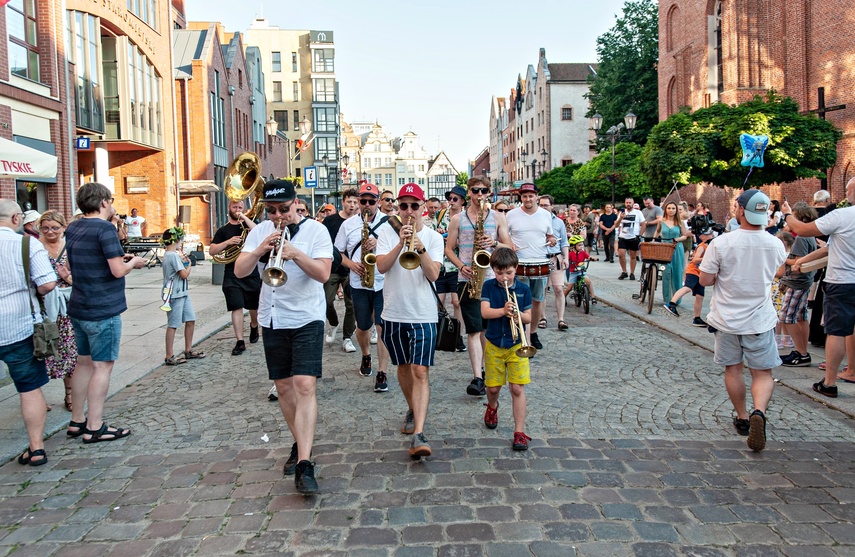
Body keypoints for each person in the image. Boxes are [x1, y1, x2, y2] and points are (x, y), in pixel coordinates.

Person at [235, 178, 332, 494]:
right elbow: (239, 270)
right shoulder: (260, 231)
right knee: (283, 386)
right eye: (272, 210)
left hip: (307, 316)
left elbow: (323, 274)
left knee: (304, 384)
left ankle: (305, 463)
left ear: (296, 204)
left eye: (284, 209)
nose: (278, 216)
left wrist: (295, 254)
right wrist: (260, 250)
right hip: (273, 317)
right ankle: (300, 441)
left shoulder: (316, 231)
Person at [699, 189, 787, 452]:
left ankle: (742, 417)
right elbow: (779, 272)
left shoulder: (722, 243)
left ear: (740, 210)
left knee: (733, 369)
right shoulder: (775, 243)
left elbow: (705, 280)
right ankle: (759, 411)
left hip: (727, 319)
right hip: (759, 319)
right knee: (762, 373)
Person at [65, 183, 147, 443]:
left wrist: (118, 259)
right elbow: (118, 271)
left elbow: (76, 263)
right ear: (102, 202)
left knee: (83, 363)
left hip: (79, 305)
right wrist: (134, 262)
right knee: (102, 366)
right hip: (102, 308)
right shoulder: (105, 228)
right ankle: (95, 426)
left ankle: (77, 421)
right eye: (110, 200)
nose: (112, 205)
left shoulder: (74, 227)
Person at [375, 183, 443, 457]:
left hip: (423, 314)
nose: (409, 211)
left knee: (420, 370)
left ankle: (419, 433)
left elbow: (434, 275)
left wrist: (420, 247)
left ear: (423, 208)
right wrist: (400, 244)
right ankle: (413, 409)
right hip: (394, 312)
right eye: (403, 206)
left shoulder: (434, 237)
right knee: (403, 367)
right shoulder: (386, 232)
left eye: (414, 206)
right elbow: (381, 266)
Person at [783, 180, 855, 397]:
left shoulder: (843, 215)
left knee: (837, 332)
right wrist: (802, 260)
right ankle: (851, 370)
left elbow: (802, 230)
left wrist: (787, 214)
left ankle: (829, 383)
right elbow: (828, 249)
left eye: (848, 189)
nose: (846, 193)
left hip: (842, 281)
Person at [0, 200, 57, 466]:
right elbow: (47, 284)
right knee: (29, 387)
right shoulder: (27, 244)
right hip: (19, 325)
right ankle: (36, 448)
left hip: (17, 325)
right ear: (15, 218)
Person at [446, 177, 512, 395]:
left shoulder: (498, 217)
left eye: (484, 191)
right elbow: (448, 249)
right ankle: (477, 377)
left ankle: (488, 368)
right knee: (474, 329)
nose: (479, 194)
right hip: (468, 279)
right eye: (475, 190)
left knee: (488, 329)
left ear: (489, 192)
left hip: (492, 279)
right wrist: (461, 266)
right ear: (469, 192)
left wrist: (494, 243)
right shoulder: (457, 219)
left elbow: (509, 247)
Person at [335, 183, 392, 391]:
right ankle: (366, 354)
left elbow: (398, 249)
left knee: (382, 327)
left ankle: (382, 372)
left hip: (383, 282)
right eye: (363, 201)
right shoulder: (348, 225)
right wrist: (351, 265)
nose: (367, 205)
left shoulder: (389, 223)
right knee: (363, 327)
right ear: (359, 201)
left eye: (371, 201)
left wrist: (379, 243)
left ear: (378, 202)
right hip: (359, 283)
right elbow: (337, 252)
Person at [480, 247, 534, 451]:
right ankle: (492, 406)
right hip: (494, 344)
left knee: (517, 388)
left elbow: (528, 318)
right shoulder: (488, 286)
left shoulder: (523, 289)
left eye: (509, 273)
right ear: (493, 270)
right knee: (493, 388)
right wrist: (503, 311)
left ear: (516, 268)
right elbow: (485, 313)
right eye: (499, 273)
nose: (504, 277)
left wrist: (517, 314)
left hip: (517, 345)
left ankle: (519, 432)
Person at [505, 183, 556, 351]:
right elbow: (504, 235)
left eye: (531, 196)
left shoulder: (545, 215)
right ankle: (522, 336)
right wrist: (510, 243)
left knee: (537, 300)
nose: (528, 199)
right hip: (518, 263)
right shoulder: (511, 214)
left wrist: (552, 240)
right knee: (520, 301)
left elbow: (550, 235)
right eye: (525, 196)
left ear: (536, 197)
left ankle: (533, 332)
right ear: (521, 197)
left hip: (540, 262)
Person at [209, 200, 261, 357]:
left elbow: (259, 232)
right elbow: (212, 250)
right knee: (236, 306)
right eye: (234, 207)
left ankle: (254, 325)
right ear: (229, 208)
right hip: (232, 273)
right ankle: (240, 341)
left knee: (253, 306)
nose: (237, 210)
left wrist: (244, 217)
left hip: (250, 271)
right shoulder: (223, 230)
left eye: (240, 207)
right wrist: (228, 242)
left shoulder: (248, 225)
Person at [37, 210, 77, 411]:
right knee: (40, 351)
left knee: (69, 351)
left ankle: (69, 393)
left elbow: (78, 279)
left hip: (66, 307)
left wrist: (66, 277)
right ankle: (36, 398)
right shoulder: (36, 248)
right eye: (45, 228)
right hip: (42, 306)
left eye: (54, 227)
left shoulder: (69, 248)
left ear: (63, 227)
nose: (50, 232)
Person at [774, 202, 818, 367]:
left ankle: (801, 352)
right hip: (805, 281)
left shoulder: (801, 238)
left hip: (796, 282)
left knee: (786, 316)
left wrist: (783, 258)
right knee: (801, 317)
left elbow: (798, 262)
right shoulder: (810, 236)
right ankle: (802, 351)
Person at [321, 188, 358, 353]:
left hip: (353, 270)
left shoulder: (360, 222)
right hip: (333, 268)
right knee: (327, 301)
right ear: (343, 202)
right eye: (349, 201)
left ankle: (347, 337)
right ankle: (334, 323)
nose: (352, 205)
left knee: (351, 306)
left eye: (355, 202)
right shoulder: (330, 221)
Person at [160, 227, 204, 365]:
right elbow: (184, 274)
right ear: (176, 240)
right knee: (173, 324)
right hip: (174, 294)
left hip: (182, 293)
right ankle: (169, 356)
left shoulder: (172, 255)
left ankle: (188, 350)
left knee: (190, 319)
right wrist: (189, 265)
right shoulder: (172, 255)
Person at [664, 227, 714, 326]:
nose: (712, 236)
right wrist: (707, 258)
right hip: (693, 271)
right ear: (703, 237)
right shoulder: (702, 246)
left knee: (700, 296)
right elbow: (695, 260)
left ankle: (697, 318)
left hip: (701, 273)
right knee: (687, 288)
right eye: (709, 234)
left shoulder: (709, 247)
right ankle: (671, 303)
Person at [438, 186, 467, 353]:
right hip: (441, 264)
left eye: (455, 199)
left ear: (462, 201)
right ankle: (439, 334)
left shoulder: (465, 218)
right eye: (450, 198)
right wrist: (439, 233)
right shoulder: (441, 215)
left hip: (457, 265)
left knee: (457, 302)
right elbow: (432, 235)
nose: (451, 201)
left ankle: (458, 336)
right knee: (438, 302)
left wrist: (453, 241)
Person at [539, 195, 569, 331]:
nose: (543, 207)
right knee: (542, 289)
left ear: (552, 206)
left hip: (555, 258)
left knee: (558, 288)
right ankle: (542, 318)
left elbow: (564, 242)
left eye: (546, 205)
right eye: (541, 205)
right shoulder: (536, 220)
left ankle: (561, 319)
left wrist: (566, 258)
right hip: (541, 258)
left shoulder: (559, 222)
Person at [655, 201, 688, 303]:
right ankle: (667, 299)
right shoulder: (661, 221)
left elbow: (685, 235)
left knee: (677, 273)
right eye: (669, 208)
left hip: (677, 248)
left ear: (676, 210)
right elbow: (657, 231)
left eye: (673, 208)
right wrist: (653, 240)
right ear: (665, 210)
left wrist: (677, 239)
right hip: (665, 249)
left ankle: (676, 299)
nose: (671, 210)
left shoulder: (680, 222)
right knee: (665, 272)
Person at [615, 197, 644, 280]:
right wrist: (620, 218)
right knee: (621, 255)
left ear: (633, 203)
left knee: (633, 256)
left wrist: (640, 235)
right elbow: (616, 225)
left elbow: (644, 224)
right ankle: (624, 271)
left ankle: (632, 273)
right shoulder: (622, 213)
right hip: (623, 237)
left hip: (634, 237)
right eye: (627, 202)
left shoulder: (638, 213)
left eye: (630, 202)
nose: (628, 204)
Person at [563, 235, 598, 303]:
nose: (581, 247)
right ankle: (562, 298)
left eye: (582, 245)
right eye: (579, 245)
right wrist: (566, 261)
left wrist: (592, 258)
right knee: (569, 288)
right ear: (573, 246)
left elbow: (588, 257)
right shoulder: (570, 254)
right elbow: (566, 259)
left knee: (588, 282)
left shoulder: (583, 253)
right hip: (574, 272)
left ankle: (593, 297)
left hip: (581, 271)